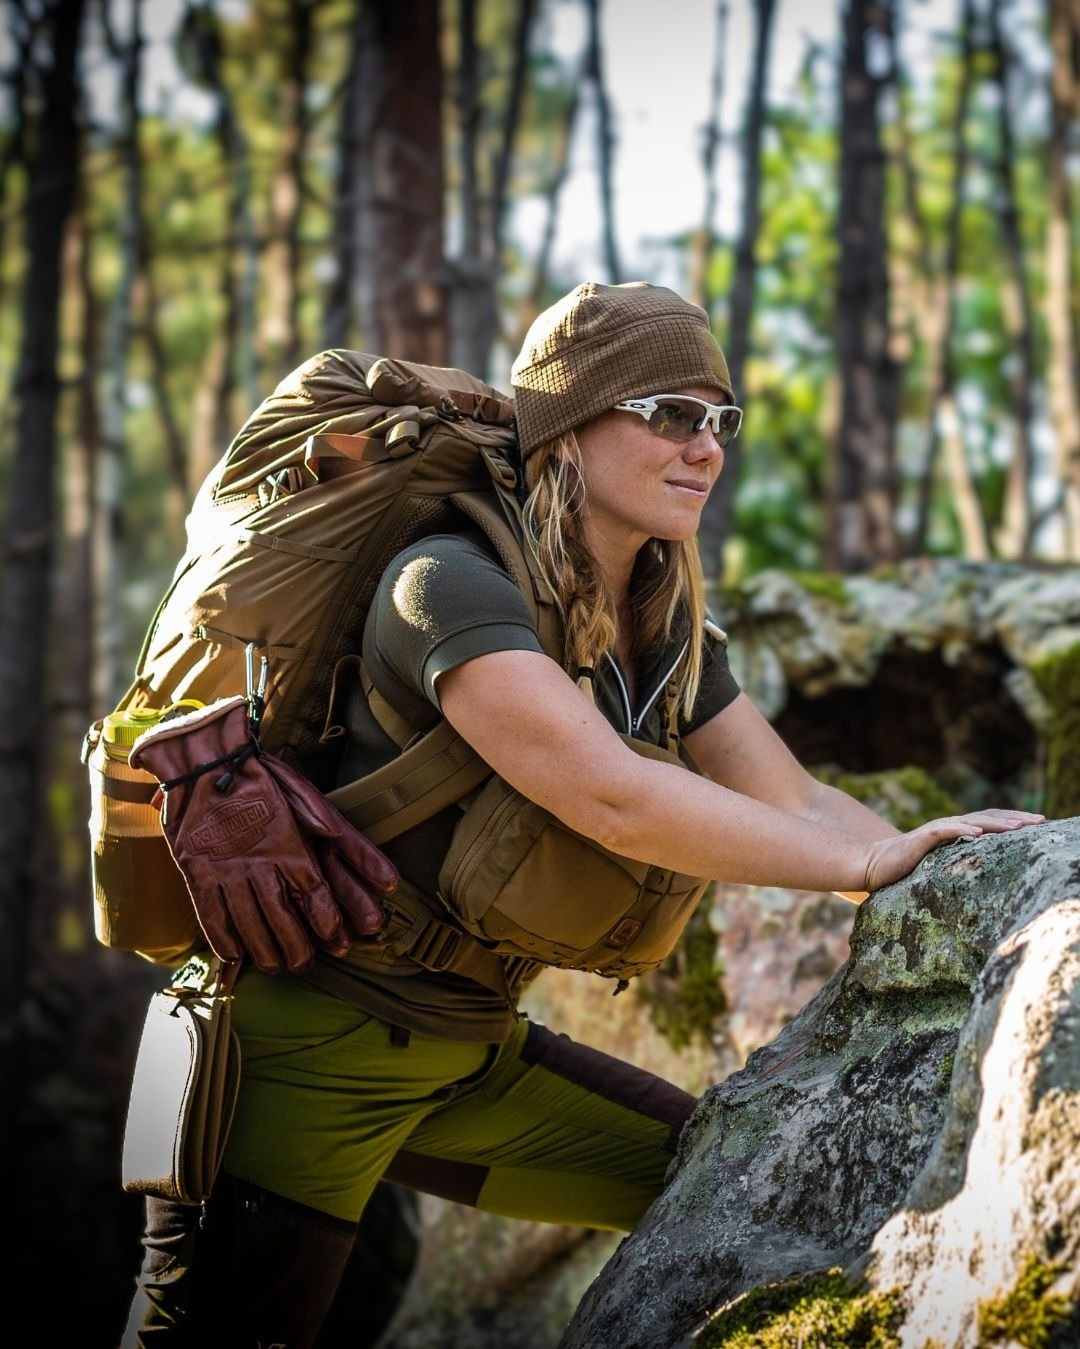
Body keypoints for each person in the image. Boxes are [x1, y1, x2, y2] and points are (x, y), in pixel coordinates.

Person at [120, 281, 1043, 1347]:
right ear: (568, 424)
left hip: (470, 1052)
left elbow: (791, 795)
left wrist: (947, 861)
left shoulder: (663, 624)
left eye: (721, 420)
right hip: (294, 1054)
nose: (706, 447)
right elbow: (612, 795)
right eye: (670, 414)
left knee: (731, 1184)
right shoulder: (445, 584)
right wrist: (864, 864)